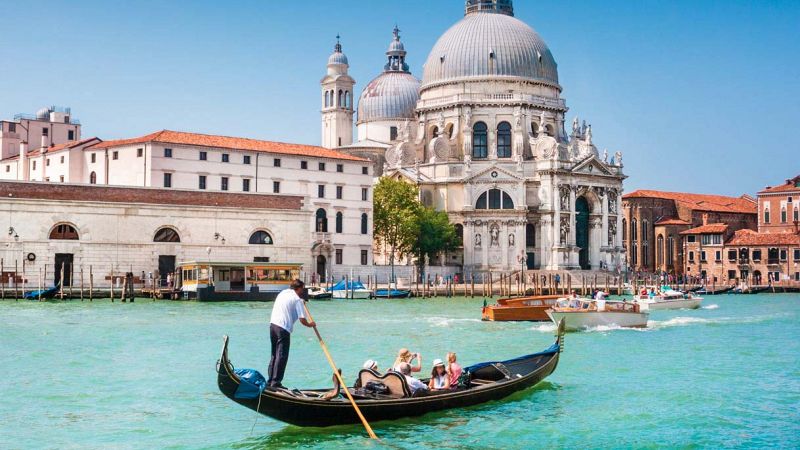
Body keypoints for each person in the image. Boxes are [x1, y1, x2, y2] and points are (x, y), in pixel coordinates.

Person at [267, 279, 315, 389]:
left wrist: (301, 302)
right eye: (302, 289)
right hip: (283, 328)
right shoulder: (297, 299)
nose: (303, 291)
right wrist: (311, 324)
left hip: (273, 326)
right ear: (298, 288)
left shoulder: (283, 293)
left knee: (274, 354)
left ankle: (270, 381)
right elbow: (303, 320)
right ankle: (276, 383)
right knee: (282, 356)